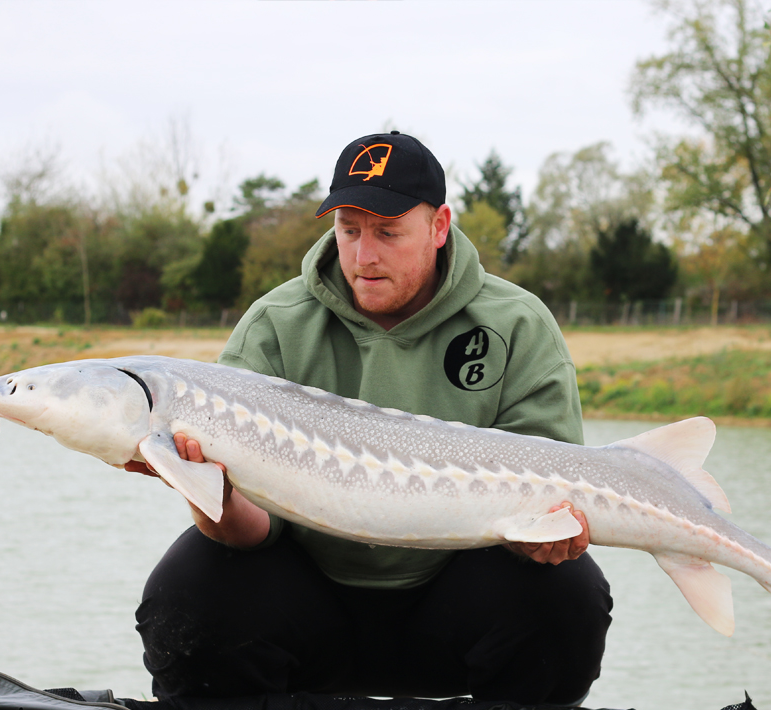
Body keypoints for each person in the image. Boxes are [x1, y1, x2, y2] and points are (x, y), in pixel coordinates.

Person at [127, 132, 612, 707]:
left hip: (455, 604)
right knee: (188, 586)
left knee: (568, 592)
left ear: (438, 227)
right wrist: (213, 496)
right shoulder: (275, 325)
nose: (363, 256)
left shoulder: (517, 324)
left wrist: (547, 536)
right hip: (308, 610)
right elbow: (252, 531)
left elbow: (553, 488)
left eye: (388, 232)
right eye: (349, 230)